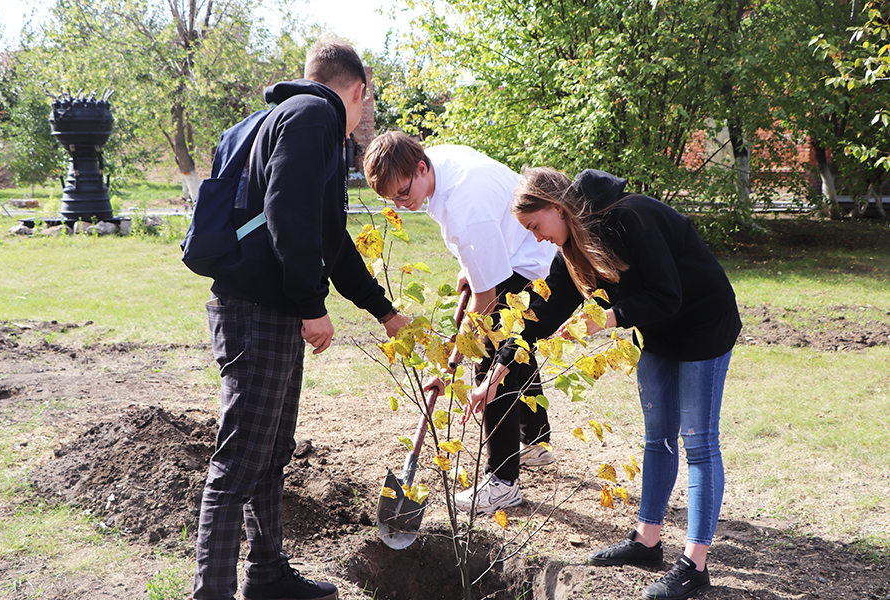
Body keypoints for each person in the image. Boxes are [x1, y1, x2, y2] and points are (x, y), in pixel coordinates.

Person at [193, 39, 407, 600]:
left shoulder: (274, 120)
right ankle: (210, 592)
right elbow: (290, 216)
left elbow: (328, 238)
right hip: (258, 311)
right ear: (357, 92)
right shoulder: (316, 117)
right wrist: (312, 306)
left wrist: (383, 311)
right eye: (363, 108)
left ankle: (265, 576)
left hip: (262, 307)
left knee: (270, 452)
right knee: (240, 460)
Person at [469, 167, 741, 600]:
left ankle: (694, 565)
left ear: (557, 208)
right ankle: (647, 542)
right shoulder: (571, 248)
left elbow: (668, 294)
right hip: (658, 332)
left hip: (704, 324)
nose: (537, 238)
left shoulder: (628, 217)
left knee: (700, 442)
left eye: (536, 226)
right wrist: (498, 368)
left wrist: (609, 317)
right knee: (658, 439)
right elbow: (543, 311)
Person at [363, 132, 559, 516]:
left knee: (490, 357)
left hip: (537, 257)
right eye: (392, 200)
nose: (402, 205)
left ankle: (503, 483)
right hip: (515, 247)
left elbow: (487, 301)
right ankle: (536, 441)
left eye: (404, 193)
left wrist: (449, 365)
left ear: (421, 168)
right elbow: (486, 236)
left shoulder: (464, 208)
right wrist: (471, 266)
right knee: (513, 347)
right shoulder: (436, 163)